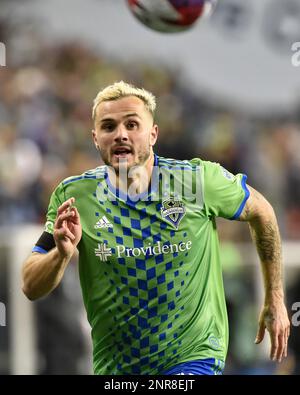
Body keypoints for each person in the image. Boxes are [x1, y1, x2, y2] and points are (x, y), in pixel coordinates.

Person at [22, 81, 290, 375]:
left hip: (194, 358)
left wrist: (275, 297)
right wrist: (60, 254)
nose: (121, 134)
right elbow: (31, 286)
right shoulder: (74, 196)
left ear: (153, 134)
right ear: (96, 137)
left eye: (132, 124)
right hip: (118, 369)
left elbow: (262, 211)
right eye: (109, 126)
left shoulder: (197, 182)